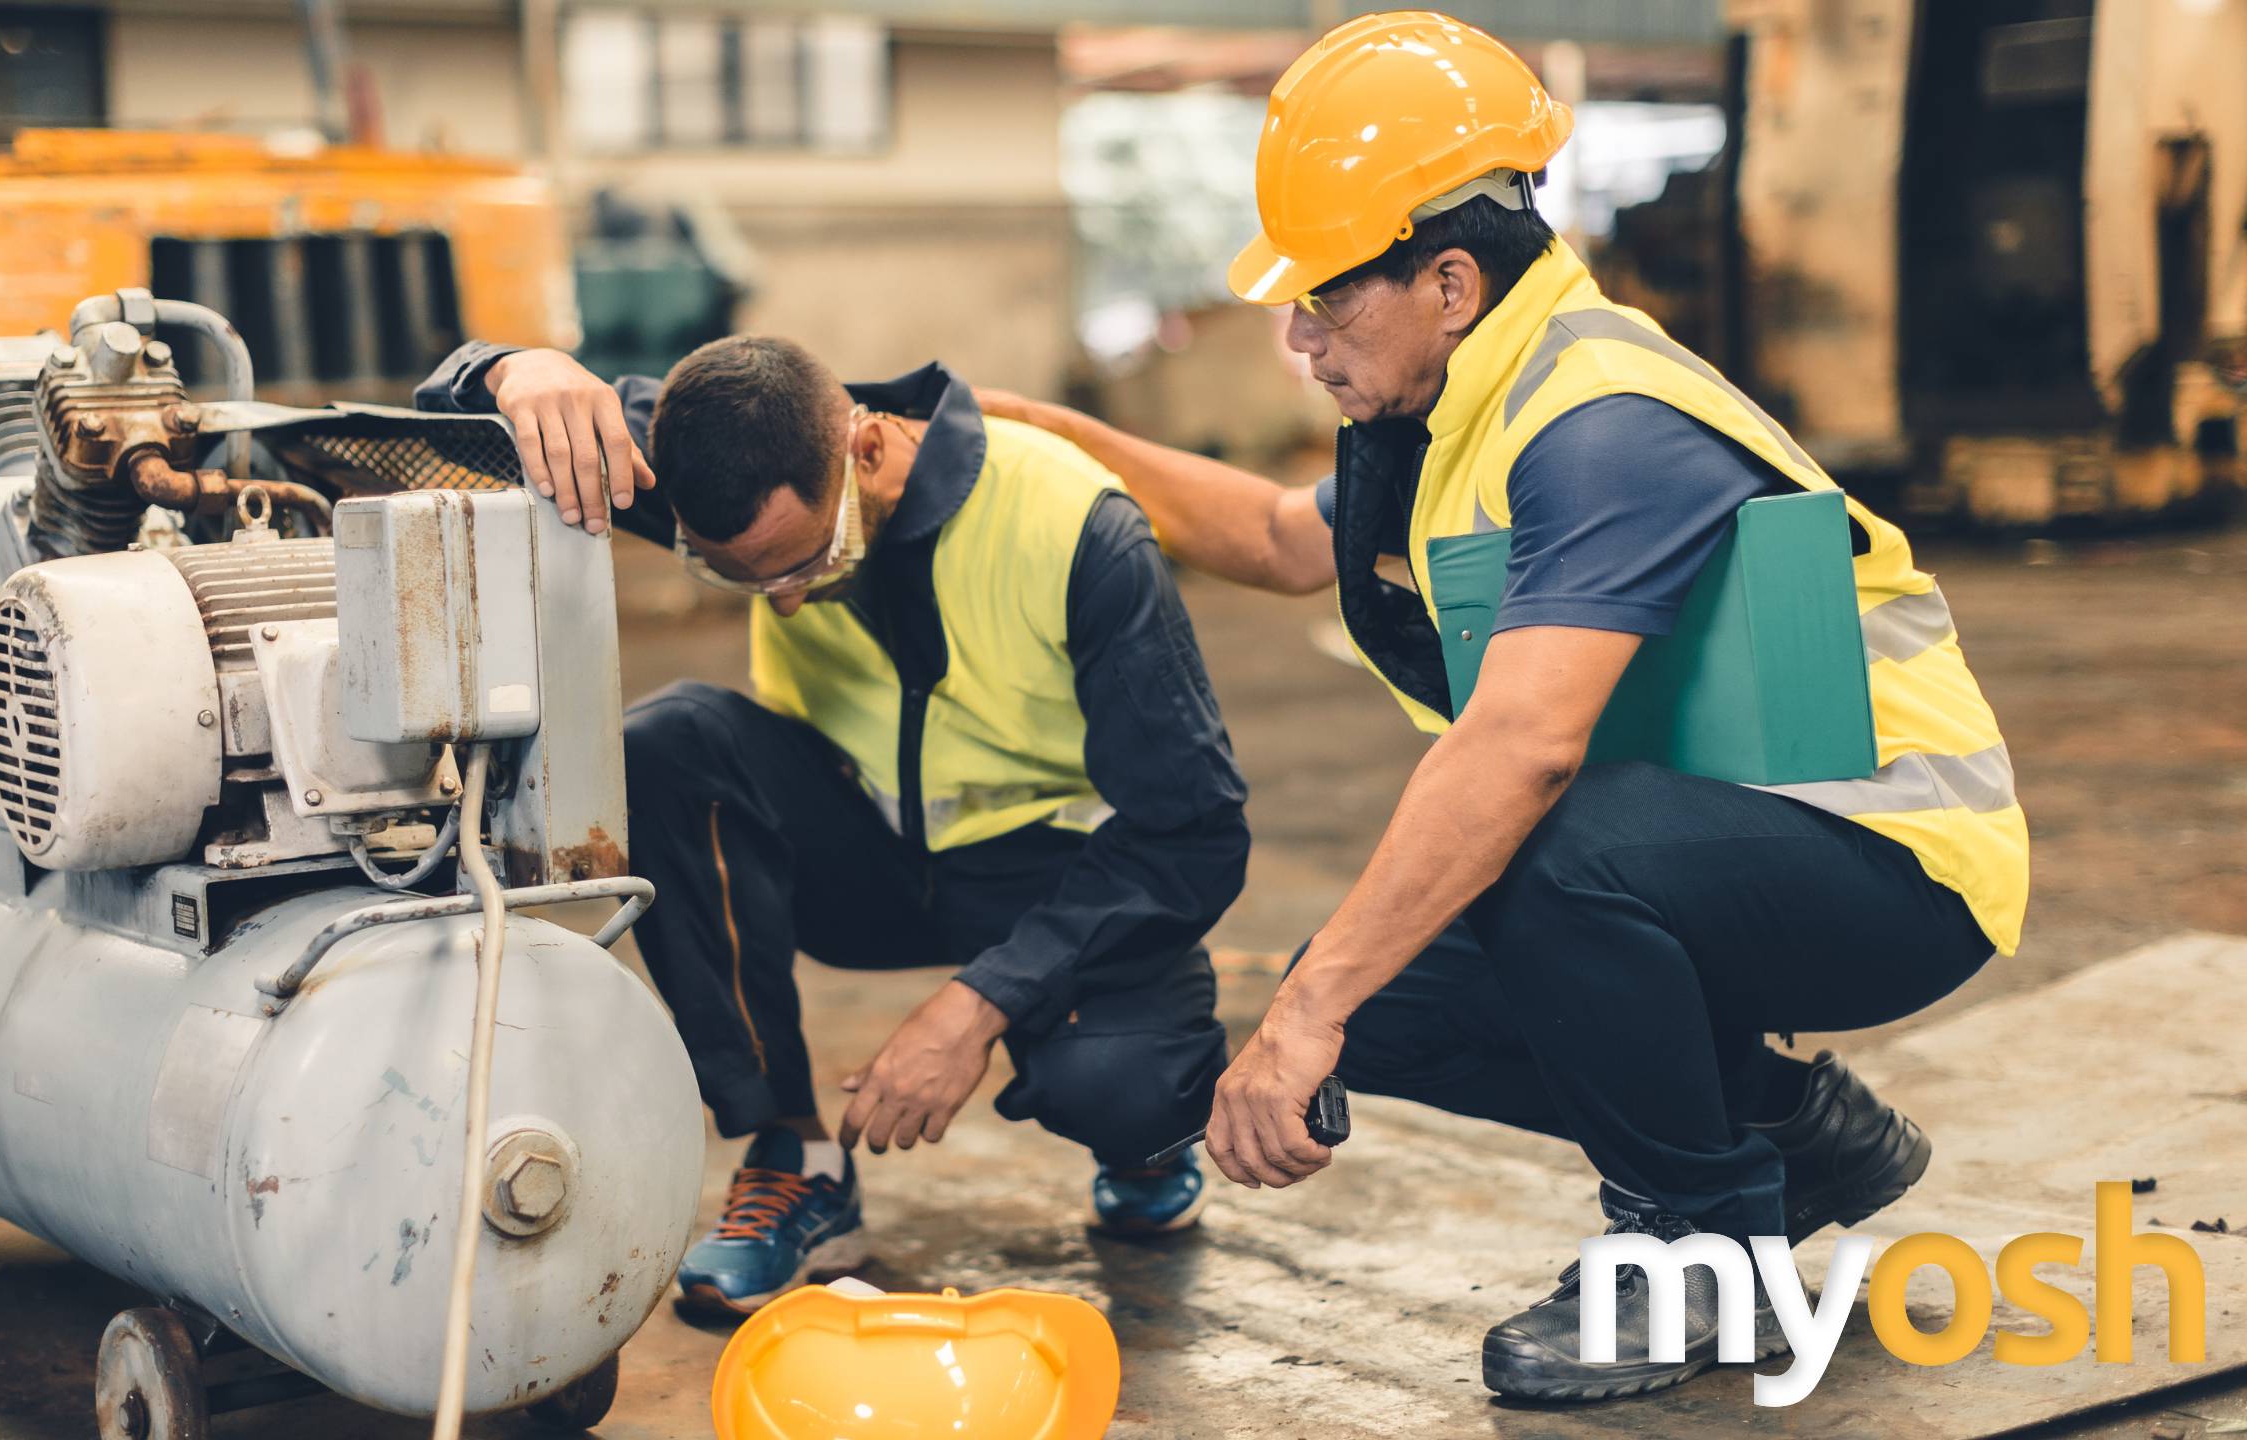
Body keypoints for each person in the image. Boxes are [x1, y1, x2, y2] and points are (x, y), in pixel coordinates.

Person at [980, 12, 2029, 1402]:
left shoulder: (1602, 418)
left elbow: (1526, 748)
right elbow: (1293, 544)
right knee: (1386, 999)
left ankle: (1701, 1252)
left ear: (1452, 281)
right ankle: (1785, 1130)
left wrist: (1301, 1014)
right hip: (1709, 853)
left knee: (1521, 853)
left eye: (1329, 299)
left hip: (1889, 861)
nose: (1300, 338)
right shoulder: (1448, 414)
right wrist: (1060, 440)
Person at [414, 335, 1247, 1319]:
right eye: (741, 576)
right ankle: (794, 1154)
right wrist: (510, 367)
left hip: (1048, 877)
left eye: (807, 558)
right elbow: (442, 429)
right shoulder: (705, 448)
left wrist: (979, 1001)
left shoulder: (1079, 531)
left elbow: (1194, 832)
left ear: (868, 450)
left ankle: (1143, 1145)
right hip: (865, 859)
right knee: (668, 743)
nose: (788, 596)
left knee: (1125, 1085)